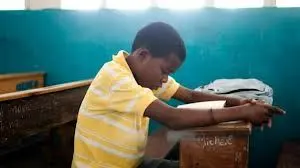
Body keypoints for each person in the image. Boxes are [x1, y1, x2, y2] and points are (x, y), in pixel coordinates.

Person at [72, 22, 284, 168]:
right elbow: (174, 119)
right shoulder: (116, 78)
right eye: (164, 71)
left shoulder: (141, 75)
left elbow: (190, 96)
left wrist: (240, 102)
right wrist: (243, 112)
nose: (165, 79)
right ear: (143, 55)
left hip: (133, 163)